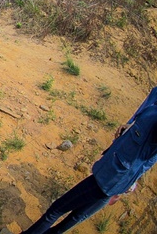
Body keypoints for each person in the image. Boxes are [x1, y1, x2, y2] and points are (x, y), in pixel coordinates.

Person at [21, 86, 157, 234]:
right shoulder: (154, 104)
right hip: (117, 179)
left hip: (109, 177)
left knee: (56, 210)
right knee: (74, 218)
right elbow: (147, 156)